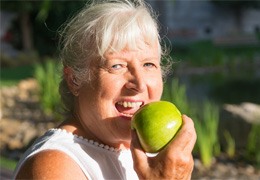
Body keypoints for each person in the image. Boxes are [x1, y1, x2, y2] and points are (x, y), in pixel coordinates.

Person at [13, 0, 197, 179]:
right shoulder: (54, 166)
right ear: (74, 80)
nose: (140, 83)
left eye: (148, 64)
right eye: (117, 66)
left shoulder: (147, 155)